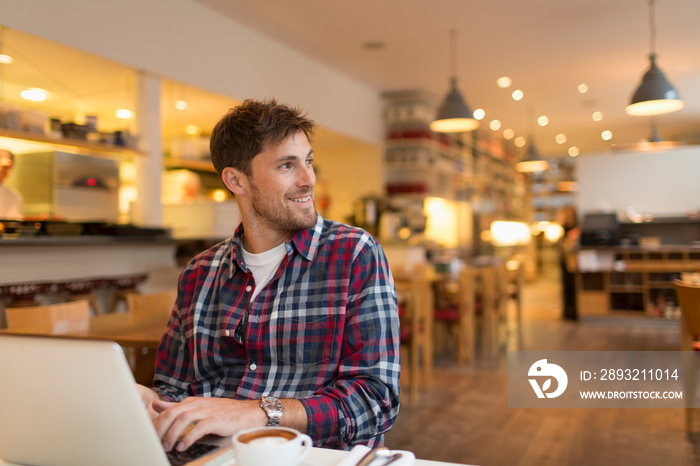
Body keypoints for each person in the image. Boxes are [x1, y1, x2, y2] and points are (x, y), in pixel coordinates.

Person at [138, 99, 400, 452]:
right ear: (236, 180)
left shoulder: (353, 253)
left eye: (308, 161)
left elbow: (375, 403)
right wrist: (151, 402)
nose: (308, 179)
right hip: (207, 459)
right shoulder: (199, 273)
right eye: (287, 165)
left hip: (309, 457)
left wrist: (257, 413)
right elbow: (175, 390)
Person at [0, 149, 23, 220]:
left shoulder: (14, 197)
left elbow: (14, 225)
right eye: (5, 167)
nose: (8, 172)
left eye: (10, 168)